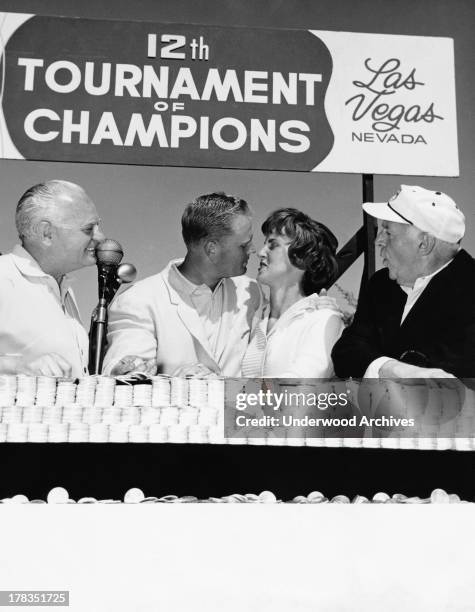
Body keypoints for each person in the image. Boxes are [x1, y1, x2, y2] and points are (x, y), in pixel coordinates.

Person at [103, 192, 262, 377]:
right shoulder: (139, 300)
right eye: (243, 245)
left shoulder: (251, 293)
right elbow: (129, 368)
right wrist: (130, 369)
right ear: (212, 248)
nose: (253, 250)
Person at [331, 185, 475, 379]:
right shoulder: (380, 285)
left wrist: (374, 364)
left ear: (424, 243)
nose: (379, 240)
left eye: (388, 233)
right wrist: (390, 369)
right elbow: (347, 351)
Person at [0, 180, 105, 377]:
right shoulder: (3, 277)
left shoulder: (63, 288)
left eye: (98, 226)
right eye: (88, 229)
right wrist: (18, 367)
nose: (100, 237)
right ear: (46, 233)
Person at [241, 208, 344, 377]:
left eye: (273, 245)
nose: (260, 253)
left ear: (303, 257)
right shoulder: (255, 318)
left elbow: (297, 391)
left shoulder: (323, 319)